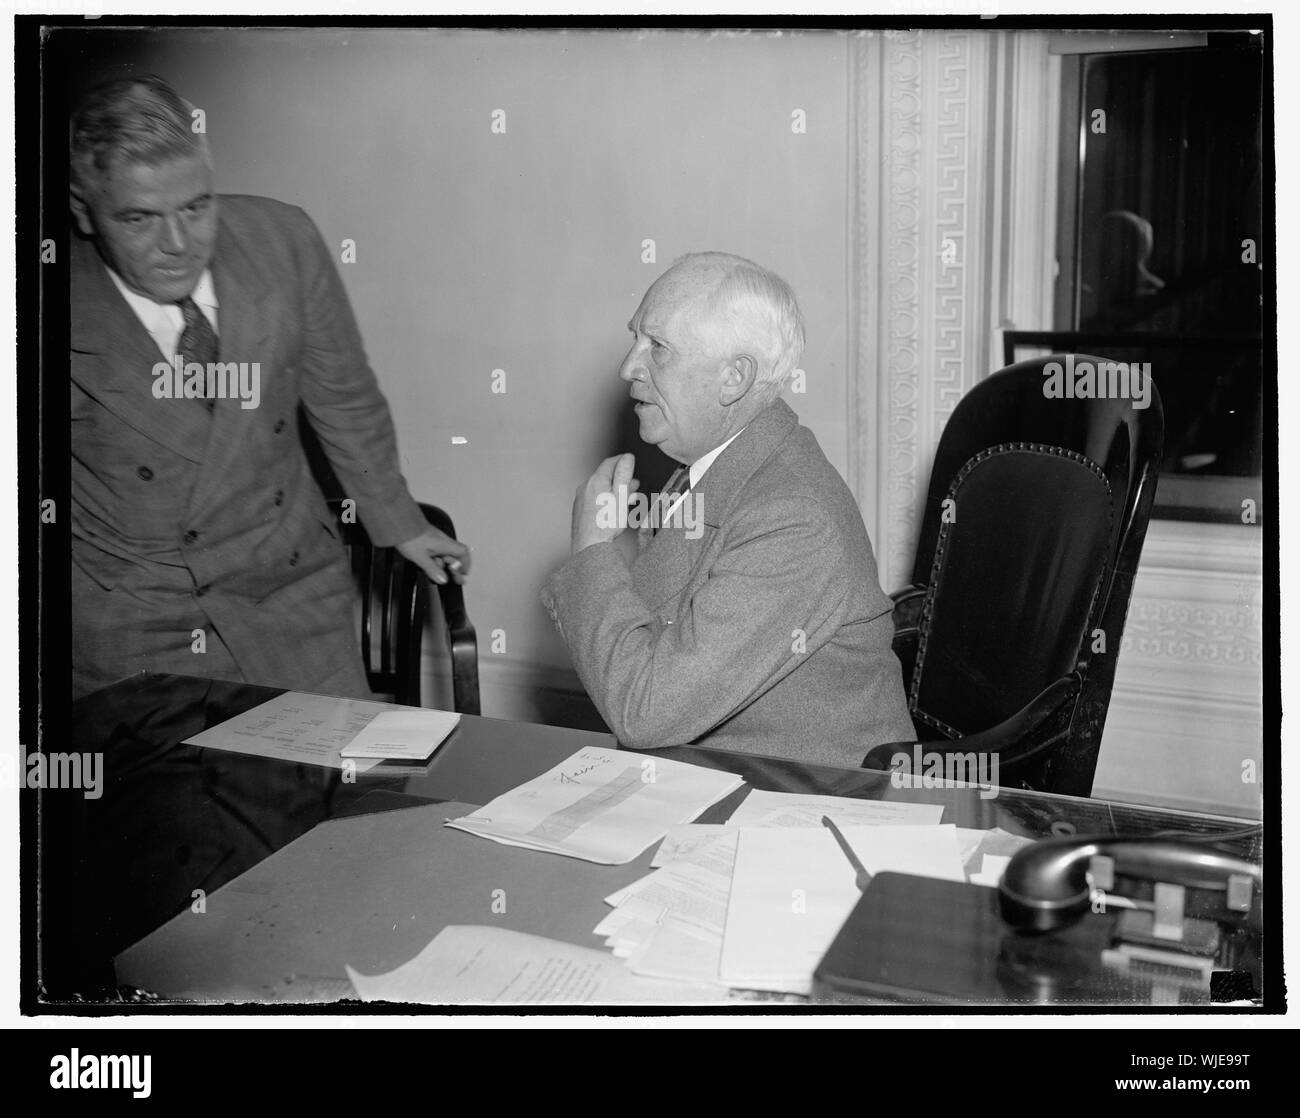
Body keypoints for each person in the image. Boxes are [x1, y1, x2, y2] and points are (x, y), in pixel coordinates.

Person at [69, 75, 470, 700]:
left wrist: (400, 521)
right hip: (138, 620)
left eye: (196, 207)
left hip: (292, 593)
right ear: (81, 209)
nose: (178, 245)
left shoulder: (283, 241)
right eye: (139, 218)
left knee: (342, 790)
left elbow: (343, 395)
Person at [542, 252, 913, 765]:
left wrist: (591, 550)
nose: (628, 366)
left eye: (658, 348)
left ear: (734, 378)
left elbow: (646, 712)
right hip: (731, 785)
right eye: (635, 339)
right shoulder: (714, 474)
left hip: (819, 808)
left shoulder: (792, 519)